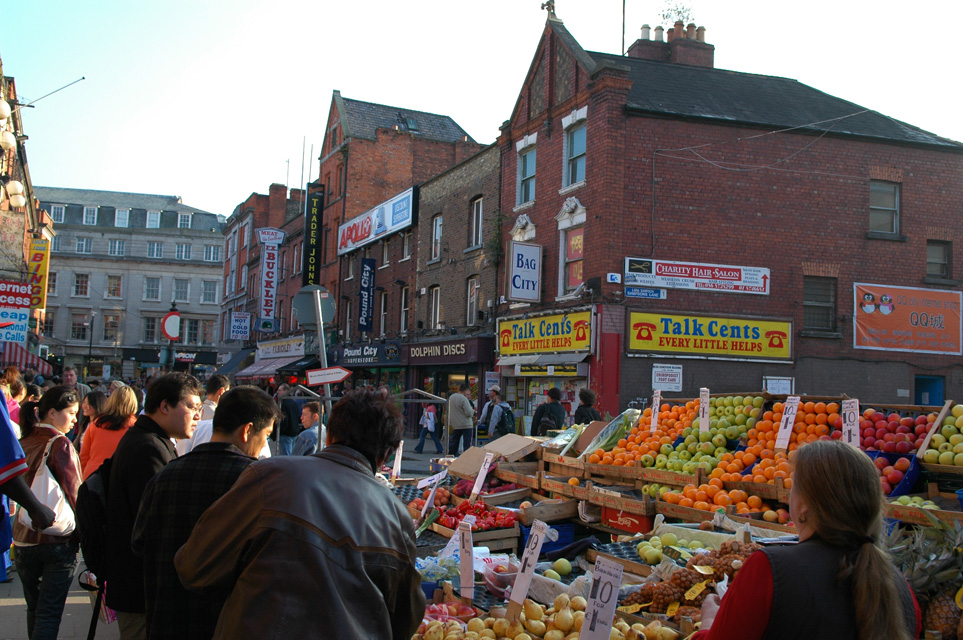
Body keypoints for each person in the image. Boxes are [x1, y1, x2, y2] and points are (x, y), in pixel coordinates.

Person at [175, 389, 425, 639]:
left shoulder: (270, 476)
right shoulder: (396, 517)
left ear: (330, 436)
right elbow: (405, 619)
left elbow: (195, 566)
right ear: (386, 455)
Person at [694, 440, 920, 640]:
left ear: (804, 507)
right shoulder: (896, 584)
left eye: (794, 486)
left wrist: (708, 623)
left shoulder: (769, 570)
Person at [132, 386, 278, 640]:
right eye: (265, 435)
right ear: (247, 431)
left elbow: (139, 543)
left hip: (167, 619)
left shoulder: (165, 476)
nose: (264, 444)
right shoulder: (259, 484)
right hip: (225, 624)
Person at [104, 372, 203, 640]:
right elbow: (155, 523)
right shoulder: (148, 448)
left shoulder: (150, 440)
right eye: (192, 407)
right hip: (140, 589)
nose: (198, 416)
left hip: (138, 586)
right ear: (165, 406)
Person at [12, 387, 83, 640]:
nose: (76, 419)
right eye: (72, 413)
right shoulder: (59, 443)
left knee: (35, 608)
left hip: (23, 537)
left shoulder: (25, 441)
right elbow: (75, 492)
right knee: (49, 613)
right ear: (52, 413)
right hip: (57, 540)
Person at [79, 386, 138, 480]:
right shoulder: (135, 428)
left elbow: (84, 456)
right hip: (118, 478)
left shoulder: (96, 424)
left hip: (92, 476)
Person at [175, 375, 231, 456]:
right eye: (193, 408)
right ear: (222, 391)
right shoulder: (218, 416)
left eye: (198, 409)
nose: (198, 416)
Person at [275, 384, 303, 455]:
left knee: (286, 456)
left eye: (279, 390)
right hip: (293, 432)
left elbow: (284, 420)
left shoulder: (283, 404)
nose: (277, 392)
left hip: (286, 434)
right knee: (291, 454)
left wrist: (280, 431)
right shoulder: (293, 402)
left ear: (286, 391)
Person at [447, 383, 475, 455]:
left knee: (454, 444)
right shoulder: (463, 399)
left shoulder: (451, 397)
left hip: (455, 424)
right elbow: (469, 413)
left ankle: (451, 457)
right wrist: (472, 411)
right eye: (468, 393)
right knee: (467, 445)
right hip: (466, 425)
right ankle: (466, 460)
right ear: (465, 391)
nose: (468, 395)